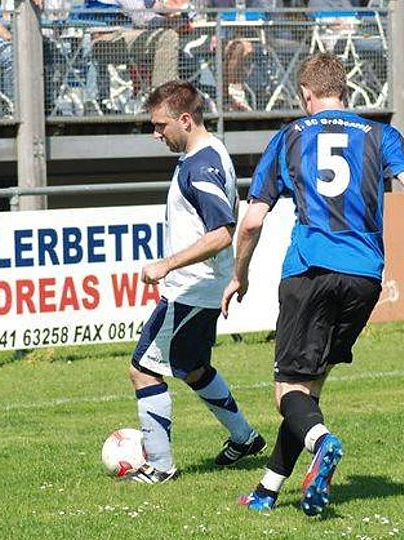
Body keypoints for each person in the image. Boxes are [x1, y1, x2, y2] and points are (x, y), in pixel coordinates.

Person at [223, 53, 404, 515]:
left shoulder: (288, 138)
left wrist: (239, 273)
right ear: (346, 90)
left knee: (287, 392)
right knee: (309, 387)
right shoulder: (380, 135)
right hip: (364, 276)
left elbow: (252, 222)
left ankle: (322, 442)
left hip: (309, 271)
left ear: (307, 96)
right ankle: (267, 490)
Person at [125, 80, 264, 483]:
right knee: (192, 366)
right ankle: (244, 437)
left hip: (190, 288)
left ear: (185, 119)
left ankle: (160, 467)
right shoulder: (207, 151)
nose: (156, 134)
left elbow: (222, 231)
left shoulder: (201, 164)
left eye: (160, 125)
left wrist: (167, 265)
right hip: (202, 286)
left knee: (142, 370)